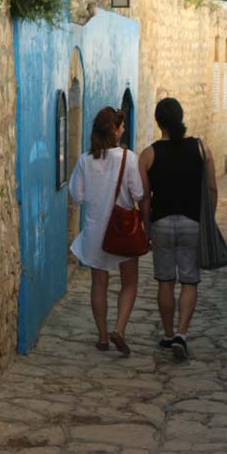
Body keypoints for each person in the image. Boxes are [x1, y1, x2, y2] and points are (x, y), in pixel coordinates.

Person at [139, 97, 218, 361]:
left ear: (158, 122)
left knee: (165, 281)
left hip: (161, 223)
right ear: (181, 117)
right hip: (192, 223)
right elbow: (212, 189)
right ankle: (182, 334)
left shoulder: (148, 155)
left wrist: (146, 228)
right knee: (189, 280)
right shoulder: (201, 148)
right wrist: (208, 221)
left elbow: (145, 198)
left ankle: (168, 333)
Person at [69, 106, 144, 355]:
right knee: (129, 282)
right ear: (114, 129)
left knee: (98, 284)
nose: (123, 131)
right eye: (121, 127)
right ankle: (119, 330)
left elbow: (77, 195)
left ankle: (102, 337)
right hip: (123, 230)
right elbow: (138, 193)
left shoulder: (84, 160)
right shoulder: (128, 158)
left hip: (95, 231)